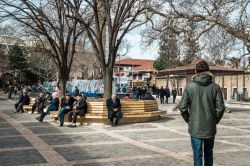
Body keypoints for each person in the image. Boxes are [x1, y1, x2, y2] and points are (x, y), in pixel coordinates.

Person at [179, 60, 225, 166]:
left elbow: (182, 107)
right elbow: (221, 108)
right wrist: (214, 120)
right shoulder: (215, 87)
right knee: (209, 154)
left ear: (195, 71)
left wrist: (189, 120)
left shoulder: (189, 87)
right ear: (208, 71)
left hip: (195, 126)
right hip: (210, 126)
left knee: (197, 154)